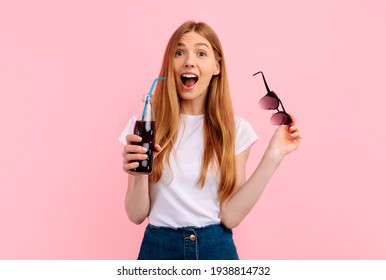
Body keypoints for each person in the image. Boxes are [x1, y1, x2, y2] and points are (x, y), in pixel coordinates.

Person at [119, 21, 301, 260]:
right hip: (157, 251)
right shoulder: (144, 127)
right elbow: (136, 214)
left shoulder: (236, 130)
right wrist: (138, 174)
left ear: (216, 66)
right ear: (169, 64)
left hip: (216, 251)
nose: (189, 61)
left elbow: (231, 217)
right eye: (179, 52)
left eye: (201, 53)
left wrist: (274, 155)